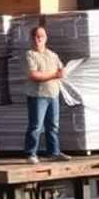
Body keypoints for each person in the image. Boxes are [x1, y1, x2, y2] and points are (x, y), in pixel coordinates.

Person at [24, 26, 72, 165]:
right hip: (38, 95)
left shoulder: (52, 54)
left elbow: (60, 69)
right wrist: (55, 75)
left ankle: (54, 152)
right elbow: (34, 75)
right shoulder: (30, 55)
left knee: (53, 126)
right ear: (31, 38)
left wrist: (61, 72)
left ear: (45, 38)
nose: (37, 39)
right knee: (36, 126)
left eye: (40, 36)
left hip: (53, 94)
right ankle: (31, 153)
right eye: (34, 36)